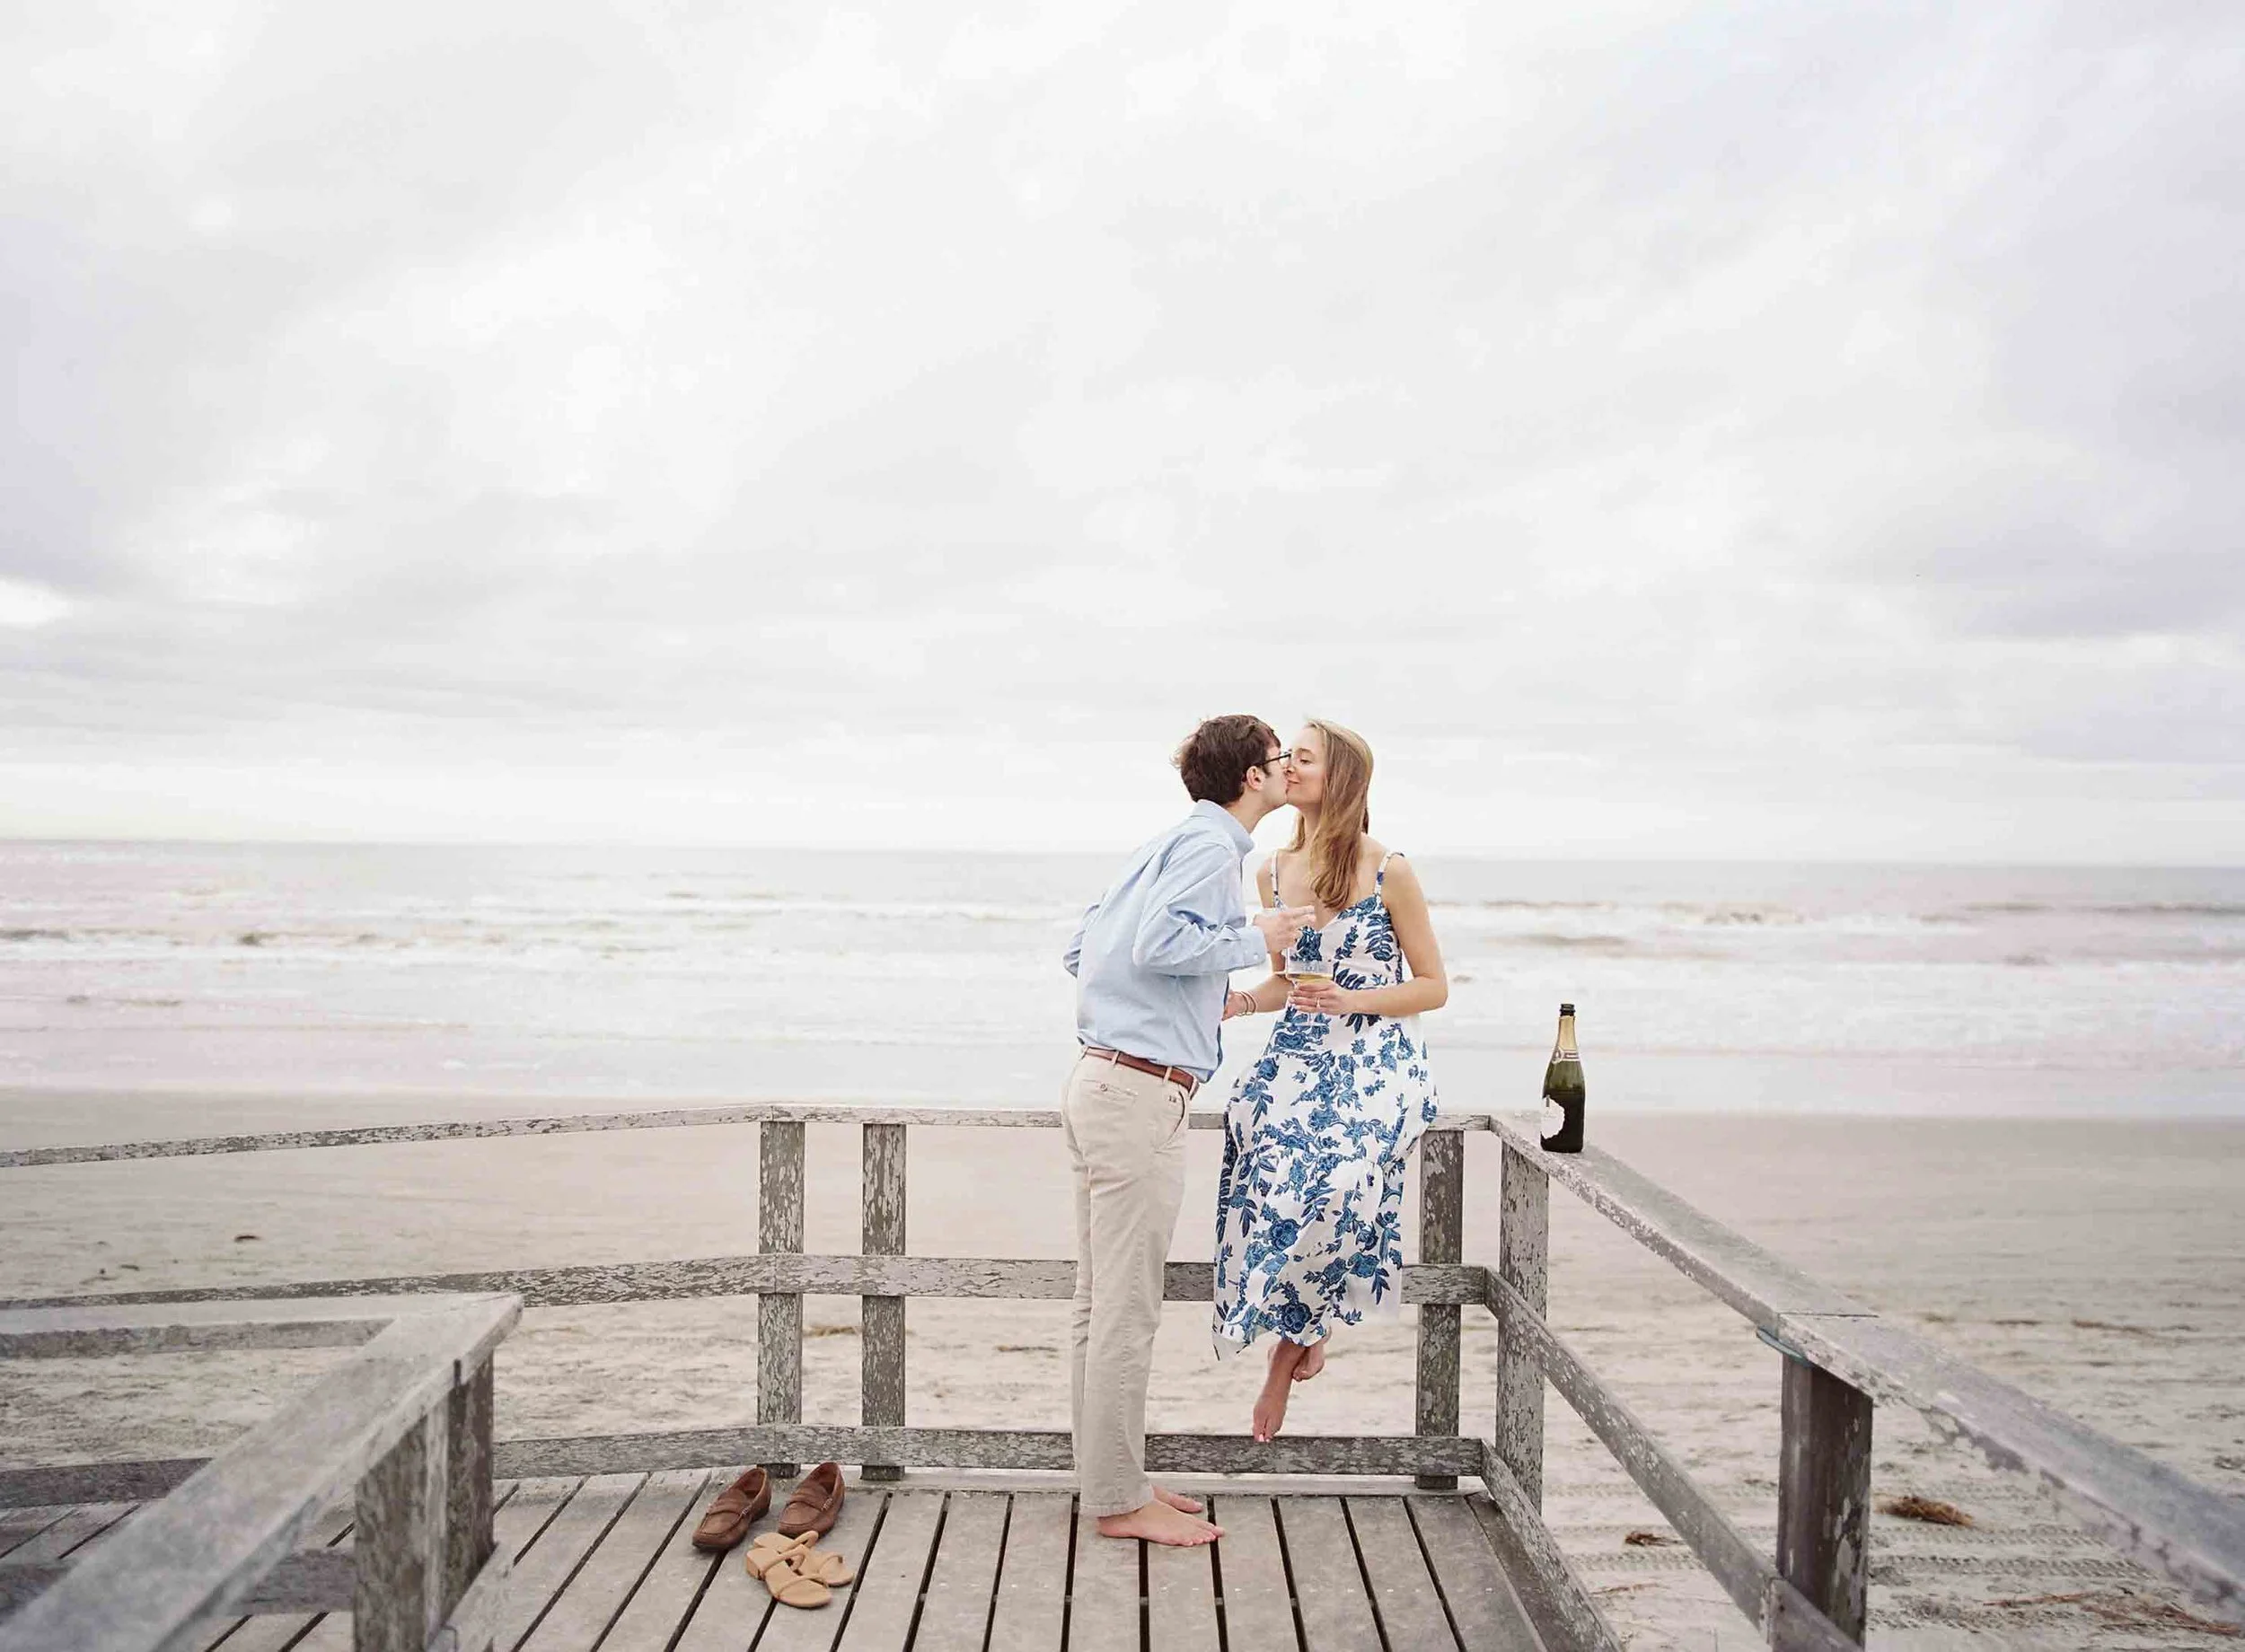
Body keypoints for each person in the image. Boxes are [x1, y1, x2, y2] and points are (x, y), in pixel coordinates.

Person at [1062, 715, 1312, 1547]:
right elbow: (1163, 941)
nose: (1286, 772)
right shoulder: (1212, 852)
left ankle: (1114, 1483)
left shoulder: (1166, 843)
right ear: (1252, 776)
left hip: (1105, 1079)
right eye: (1279, 760)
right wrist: (1259, 937)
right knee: (1125, 1313)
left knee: (1101, 1309)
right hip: (1136, 1096)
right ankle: (1115, 1503)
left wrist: (1211, 995)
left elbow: (1083, 949)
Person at [1211, 718, 1449, 1443]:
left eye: (1301, 758)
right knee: (1260, 1141)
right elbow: (1288, 983)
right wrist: (1245, 1001)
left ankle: (1287, 1354)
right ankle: (1307, 1326)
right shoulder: (1271, 870)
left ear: (1338, 777)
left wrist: (1354, 1000)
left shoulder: (1389, 870)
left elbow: (1434, 987)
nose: (1285, 766)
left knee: (1341, 1175)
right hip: (1299, 1049)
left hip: (1377, 1052)